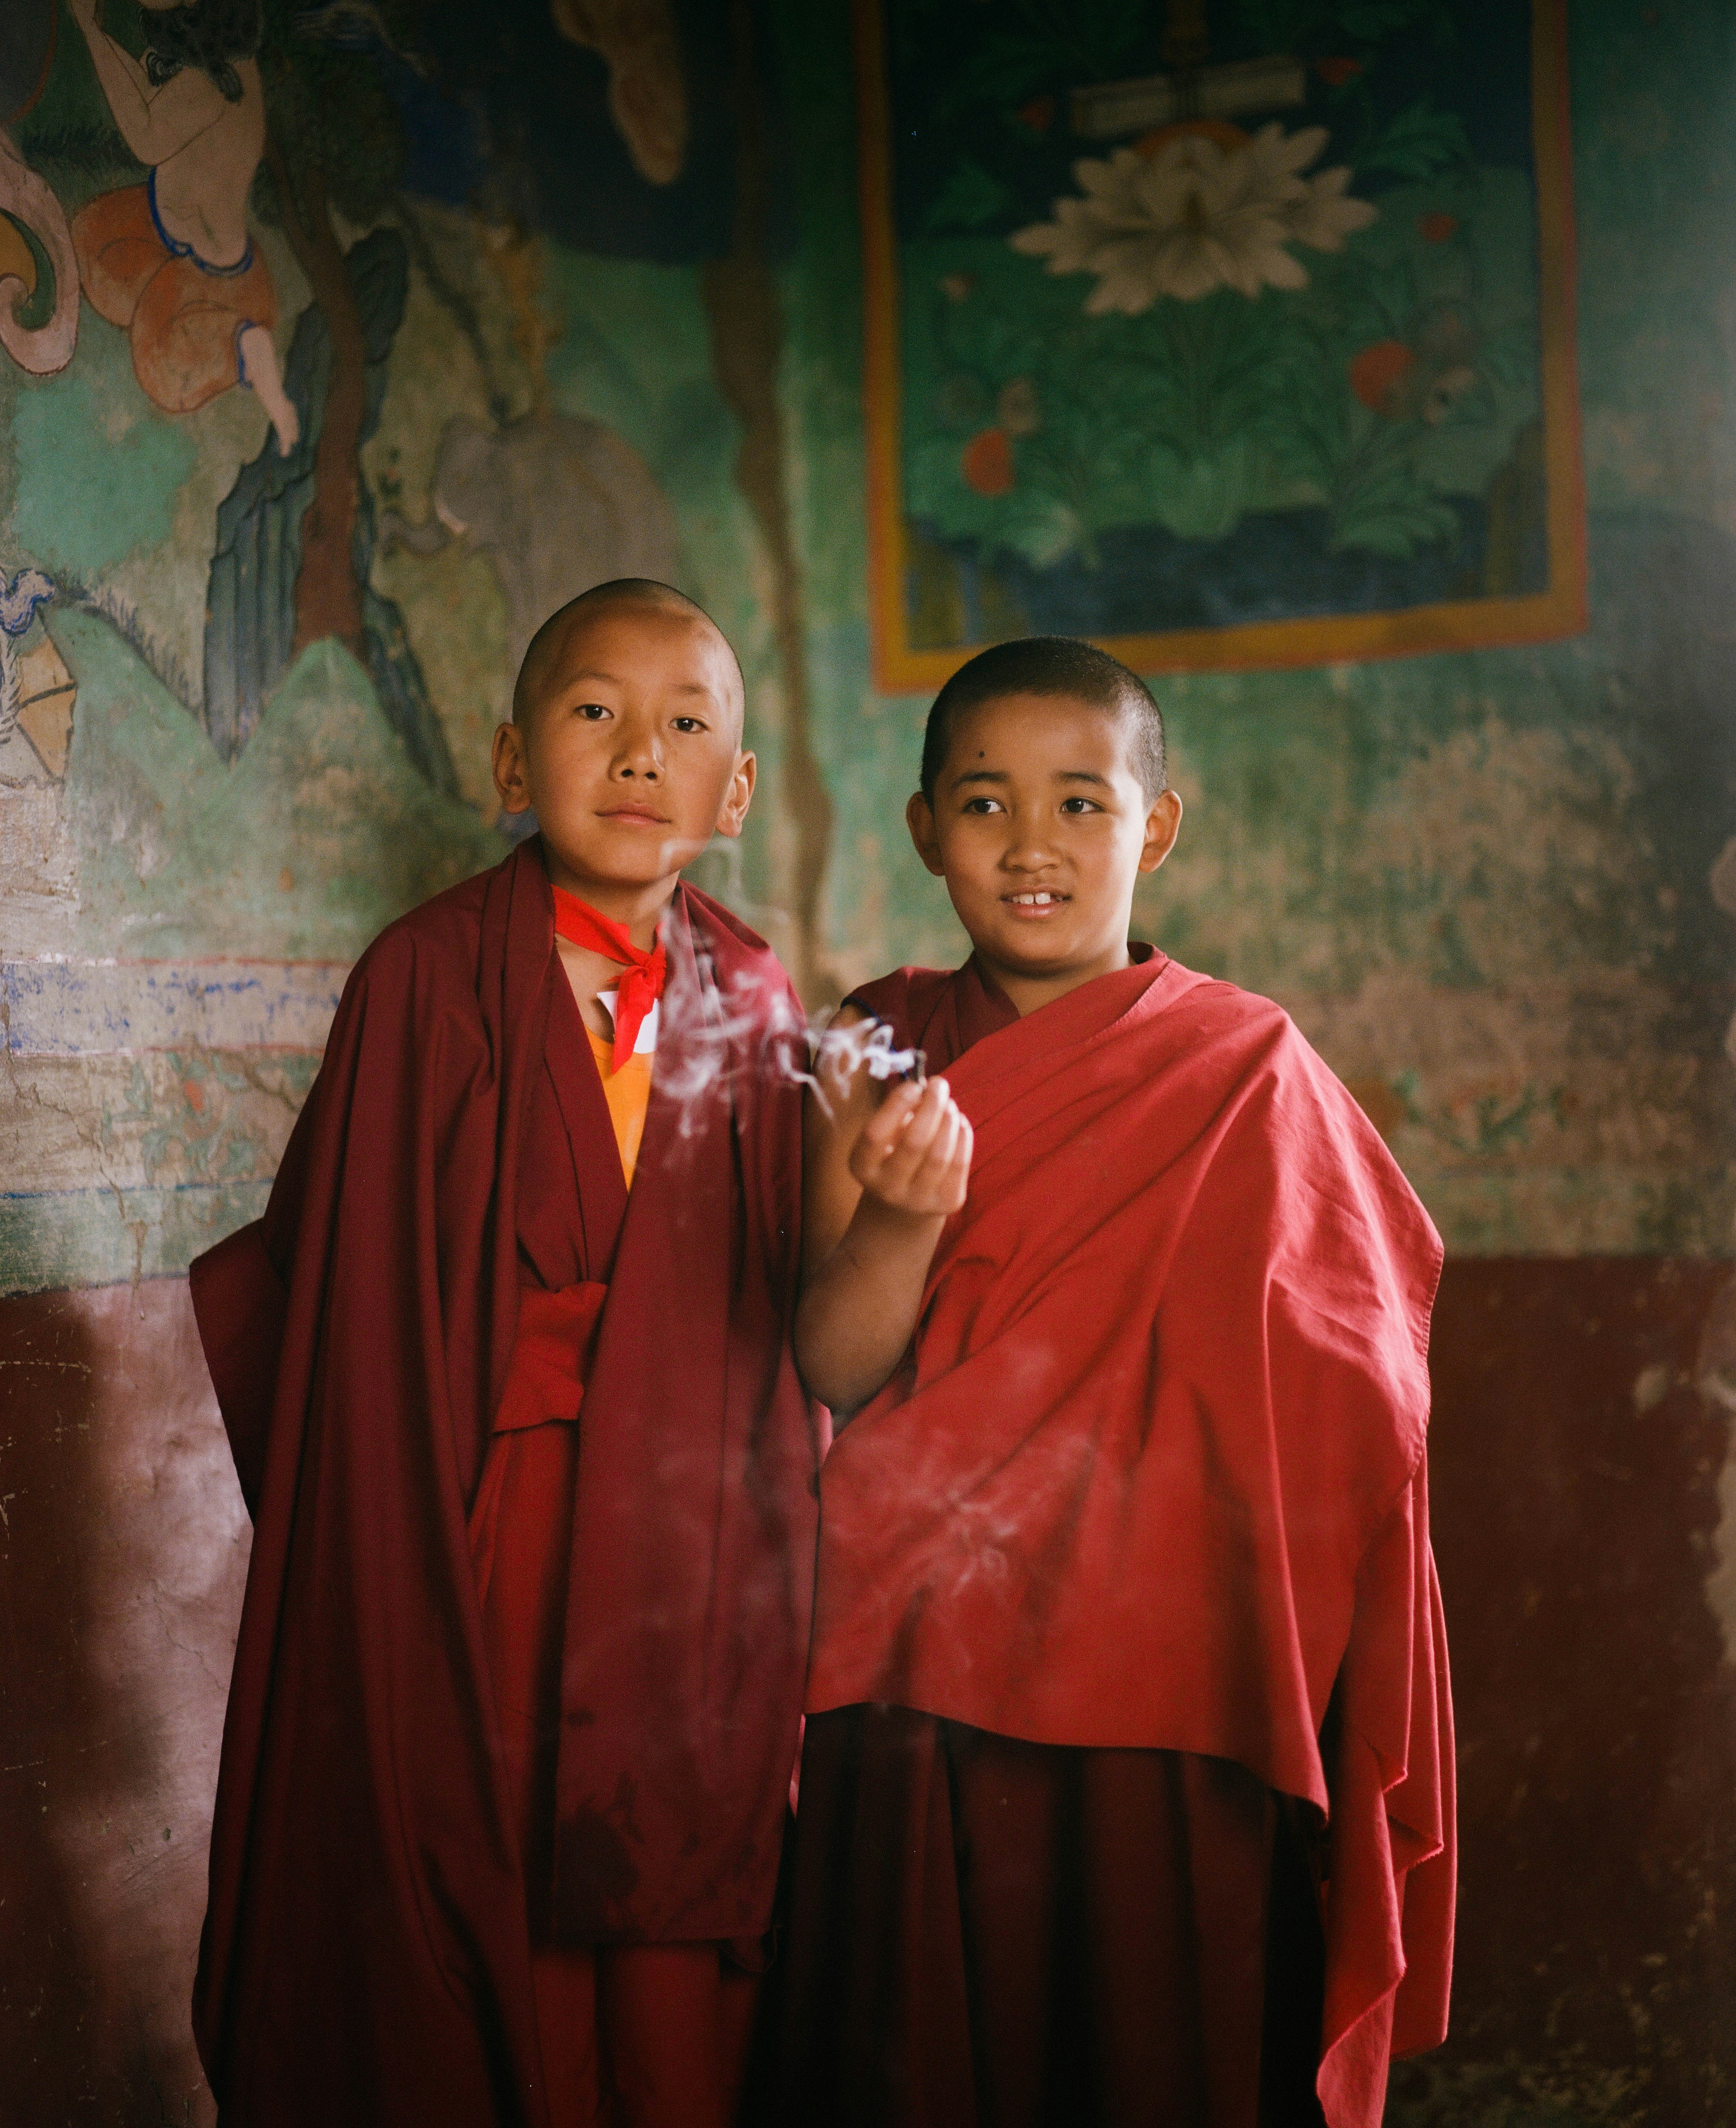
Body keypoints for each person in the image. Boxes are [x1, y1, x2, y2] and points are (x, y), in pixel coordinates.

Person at [778, 637, 1454, 2128]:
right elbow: (833, 1361)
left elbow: (1359, 1375)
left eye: (1082, 802)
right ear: (921, 828)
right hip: (917, 1643)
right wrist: (900, 1217)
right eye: (984, 802)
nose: (1033, 845)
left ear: (1155, 825)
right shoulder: (867, 1047)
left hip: (1167, 1662)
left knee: (1158, 2048)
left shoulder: (1250, 1071)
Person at [188, 580, 818, 2128]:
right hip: (491, 1526)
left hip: (690, 1556)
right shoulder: (428, 976)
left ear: (731, 793)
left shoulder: (758, 998)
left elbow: (794, 1318)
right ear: (507, 760)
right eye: (593, 712)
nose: (636, 754)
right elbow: (342, 1301)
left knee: (668, 1924)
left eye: (684, 727)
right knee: (480, 1881)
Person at [66, 0, 299, 454]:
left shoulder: (210, 85)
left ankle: (242, 343)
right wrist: (102, 35)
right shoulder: (229, 67)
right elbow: (152, 106)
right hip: (164, 235)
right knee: (91, 239)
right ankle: (174, 312)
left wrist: (91, 33)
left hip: (217, 285)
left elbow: (145, 133)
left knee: (163, 372)